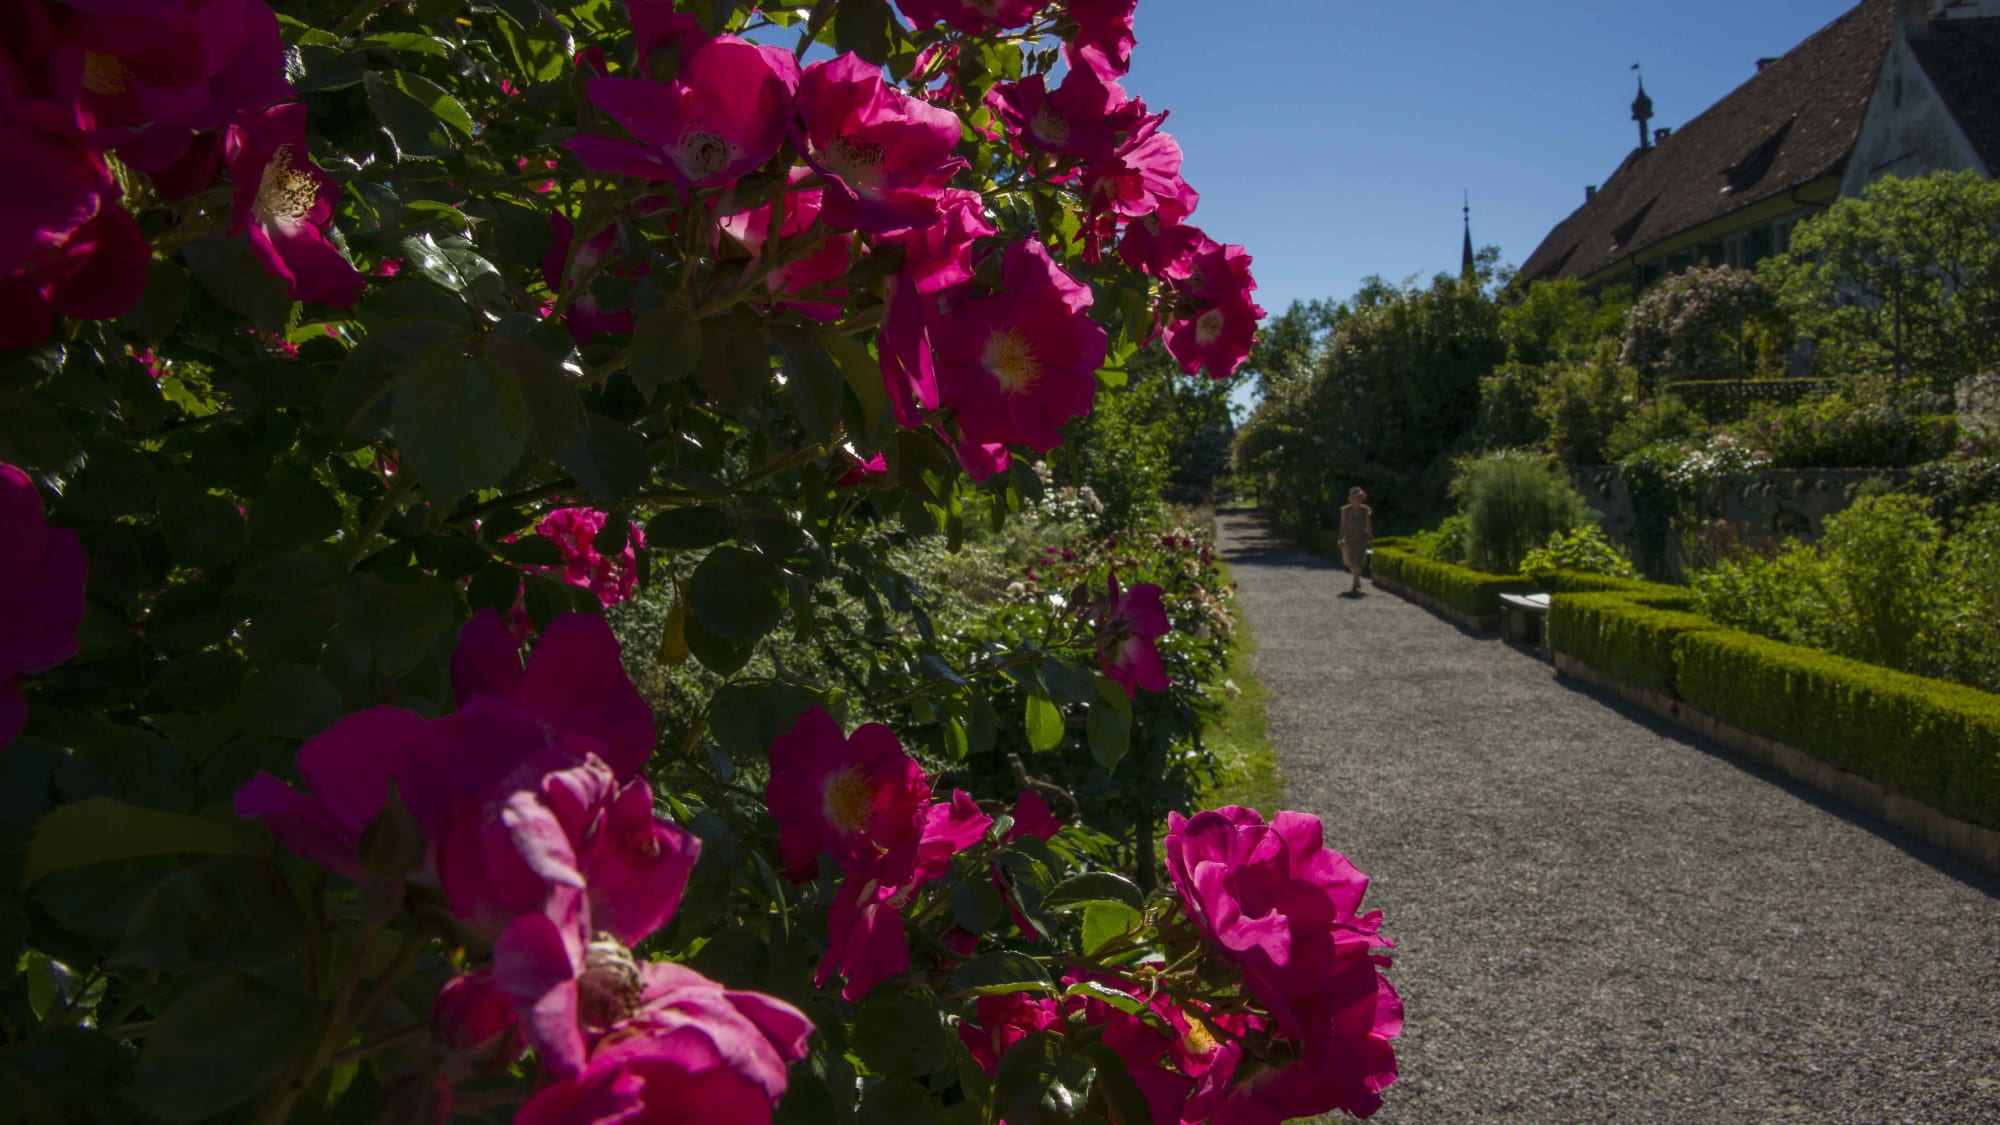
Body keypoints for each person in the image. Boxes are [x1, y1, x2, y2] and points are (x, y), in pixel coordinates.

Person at [1339, 486, 1373, 594]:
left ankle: (1354, 585)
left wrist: (1371, 539)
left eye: (1359, 497)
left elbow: (1368, 525)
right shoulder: (1345, 510)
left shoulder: (1365, 510)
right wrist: (1340, 539)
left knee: (1358, 562)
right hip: (1349, 538)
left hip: (1361, 539)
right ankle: (1357, 578)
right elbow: (1342, 525)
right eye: (1355, 497)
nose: (1357, 499)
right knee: (1352, 562)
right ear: (1351, 499)